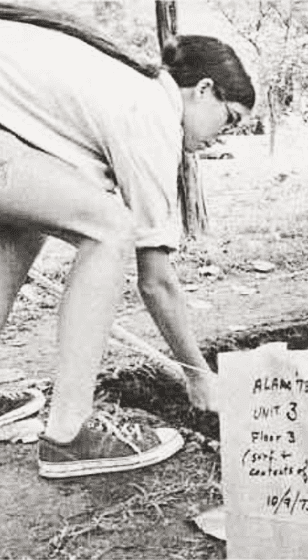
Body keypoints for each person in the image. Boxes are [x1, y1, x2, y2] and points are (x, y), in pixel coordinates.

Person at [0, 3, 254, 478]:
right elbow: (155, 280)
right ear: (203, 91)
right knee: (110, 229)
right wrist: (198, 376)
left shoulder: (129, 88)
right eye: (231, 119)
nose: (223, 138)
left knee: (23, 224)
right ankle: (68, 436)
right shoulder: (151, 112)